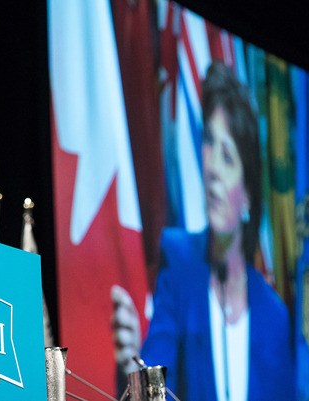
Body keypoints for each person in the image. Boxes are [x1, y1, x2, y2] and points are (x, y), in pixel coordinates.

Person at [112, 61, 295, 400]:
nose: (211, 167)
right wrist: (136, 368)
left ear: (249, 195)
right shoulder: (180, 262)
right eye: (209, 142)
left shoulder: (274, 316)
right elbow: (156, 380)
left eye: (227, 157)